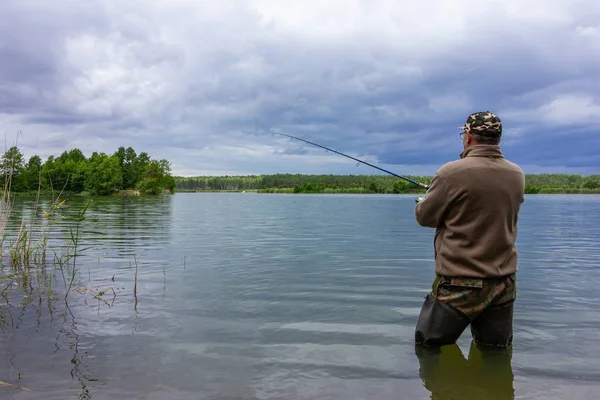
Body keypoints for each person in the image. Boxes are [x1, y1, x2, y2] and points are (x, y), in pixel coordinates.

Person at [413, 111, 525, 348]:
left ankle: (436, 385)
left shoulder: (451, 172)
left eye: (464, 134)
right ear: (498, 138)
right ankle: (495, 385)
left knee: (428, 347)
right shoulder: (516, 173)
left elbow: (426, 218)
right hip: (503, 283)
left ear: (469, 136)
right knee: (495, 352)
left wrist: (422, 203)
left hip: (459, 284)